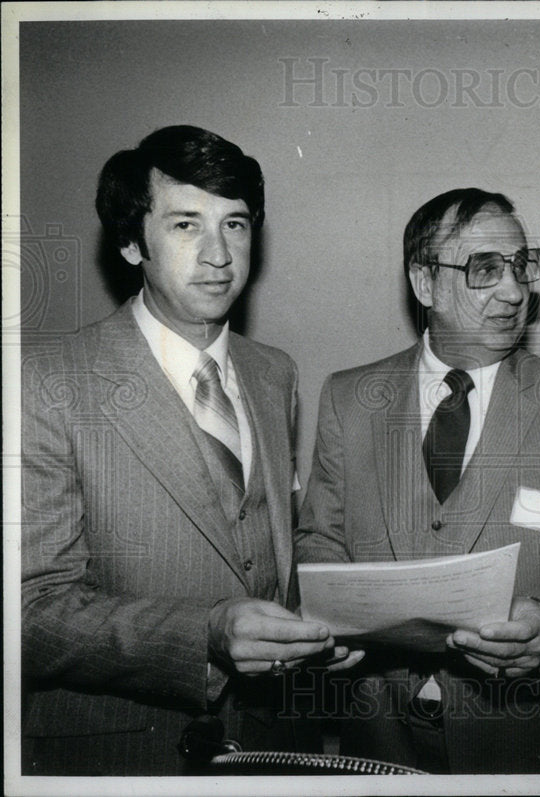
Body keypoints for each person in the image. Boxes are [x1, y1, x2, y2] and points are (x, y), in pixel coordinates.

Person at [21, 125, 345, 775]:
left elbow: (272, 553)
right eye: (185, 225)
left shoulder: (273, 371)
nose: (219, 253)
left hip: (272, 745)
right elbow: (31, 612)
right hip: (123, 755)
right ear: (129, 240)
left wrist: (332, 625)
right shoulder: (45, 380)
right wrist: (203, 632)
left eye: (236, 224)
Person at [295, 188, 540, 773]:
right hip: (382, 742)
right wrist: (323, 624)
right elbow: (320, 542)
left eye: (522, 265)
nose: (514, 290)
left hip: (538, 743)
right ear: (425, 284)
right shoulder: (349, 398)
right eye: (485, 269)